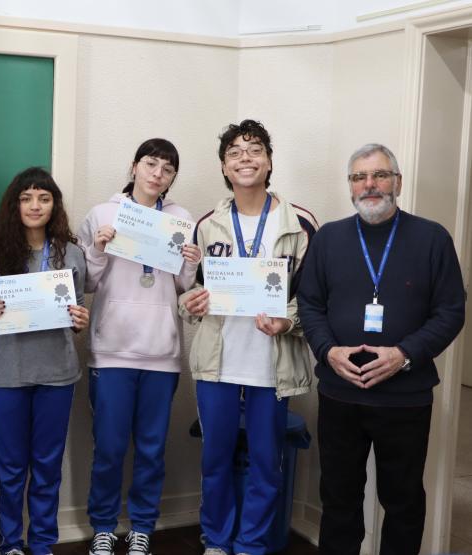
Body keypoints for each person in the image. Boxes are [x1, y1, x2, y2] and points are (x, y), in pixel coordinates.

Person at [297, 144, 465, 555]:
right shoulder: (329, 238)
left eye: (379, 175)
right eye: (359, 177)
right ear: (350, 186)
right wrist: (327, 351)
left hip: (405, 399)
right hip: (339, 393)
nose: (369, 185)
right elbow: (310, 305)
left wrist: (404, 355)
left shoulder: (432, 238)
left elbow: (451, 311)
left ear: (398, 182)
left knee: (404, 501)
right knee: (338, 499)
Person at [179, 119, 317, 555]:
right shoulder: (207, 224)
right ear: (224, 167)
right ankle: (217, 541)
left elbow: (313, 300)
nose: (245, 159)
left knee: (266, 463)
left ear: (269, 161)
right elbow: (190, 293)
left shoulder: (301, 223)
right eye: (235, 153)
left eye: (254, 150)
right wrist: (192, 305)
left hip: (272, 363)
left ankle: (253, 543)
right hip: (219, 360)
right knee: (215, 460)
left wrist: (286, 322)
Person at [79, 138, 201, 555]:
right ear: (134, 167)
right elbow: (87, 284)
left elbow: (184, 285)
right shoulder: (102, 214)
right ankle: (103, 527)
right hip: (111, 350)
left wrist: (191, 259)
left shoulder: (181, 218)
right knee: (109, 448)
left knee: (151, 448)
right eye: (151, 164)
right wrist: (97, 248)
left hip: (161, 352)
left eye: (167, 169)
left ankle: (143, 527)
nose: (157, 174)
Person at [0, 167, 90, 555]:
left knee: (47, 466)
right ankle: (10, 543)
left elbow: (76, 313)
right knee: (9, 468)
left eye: (44, 198)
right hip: (7, 372)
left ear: (54, 205)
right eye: (26, 198)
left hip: (57, 372)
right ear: (14, 205)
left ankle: (41, 543)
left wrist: (80, 320)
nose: (35, 205)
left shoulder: (71, 253)